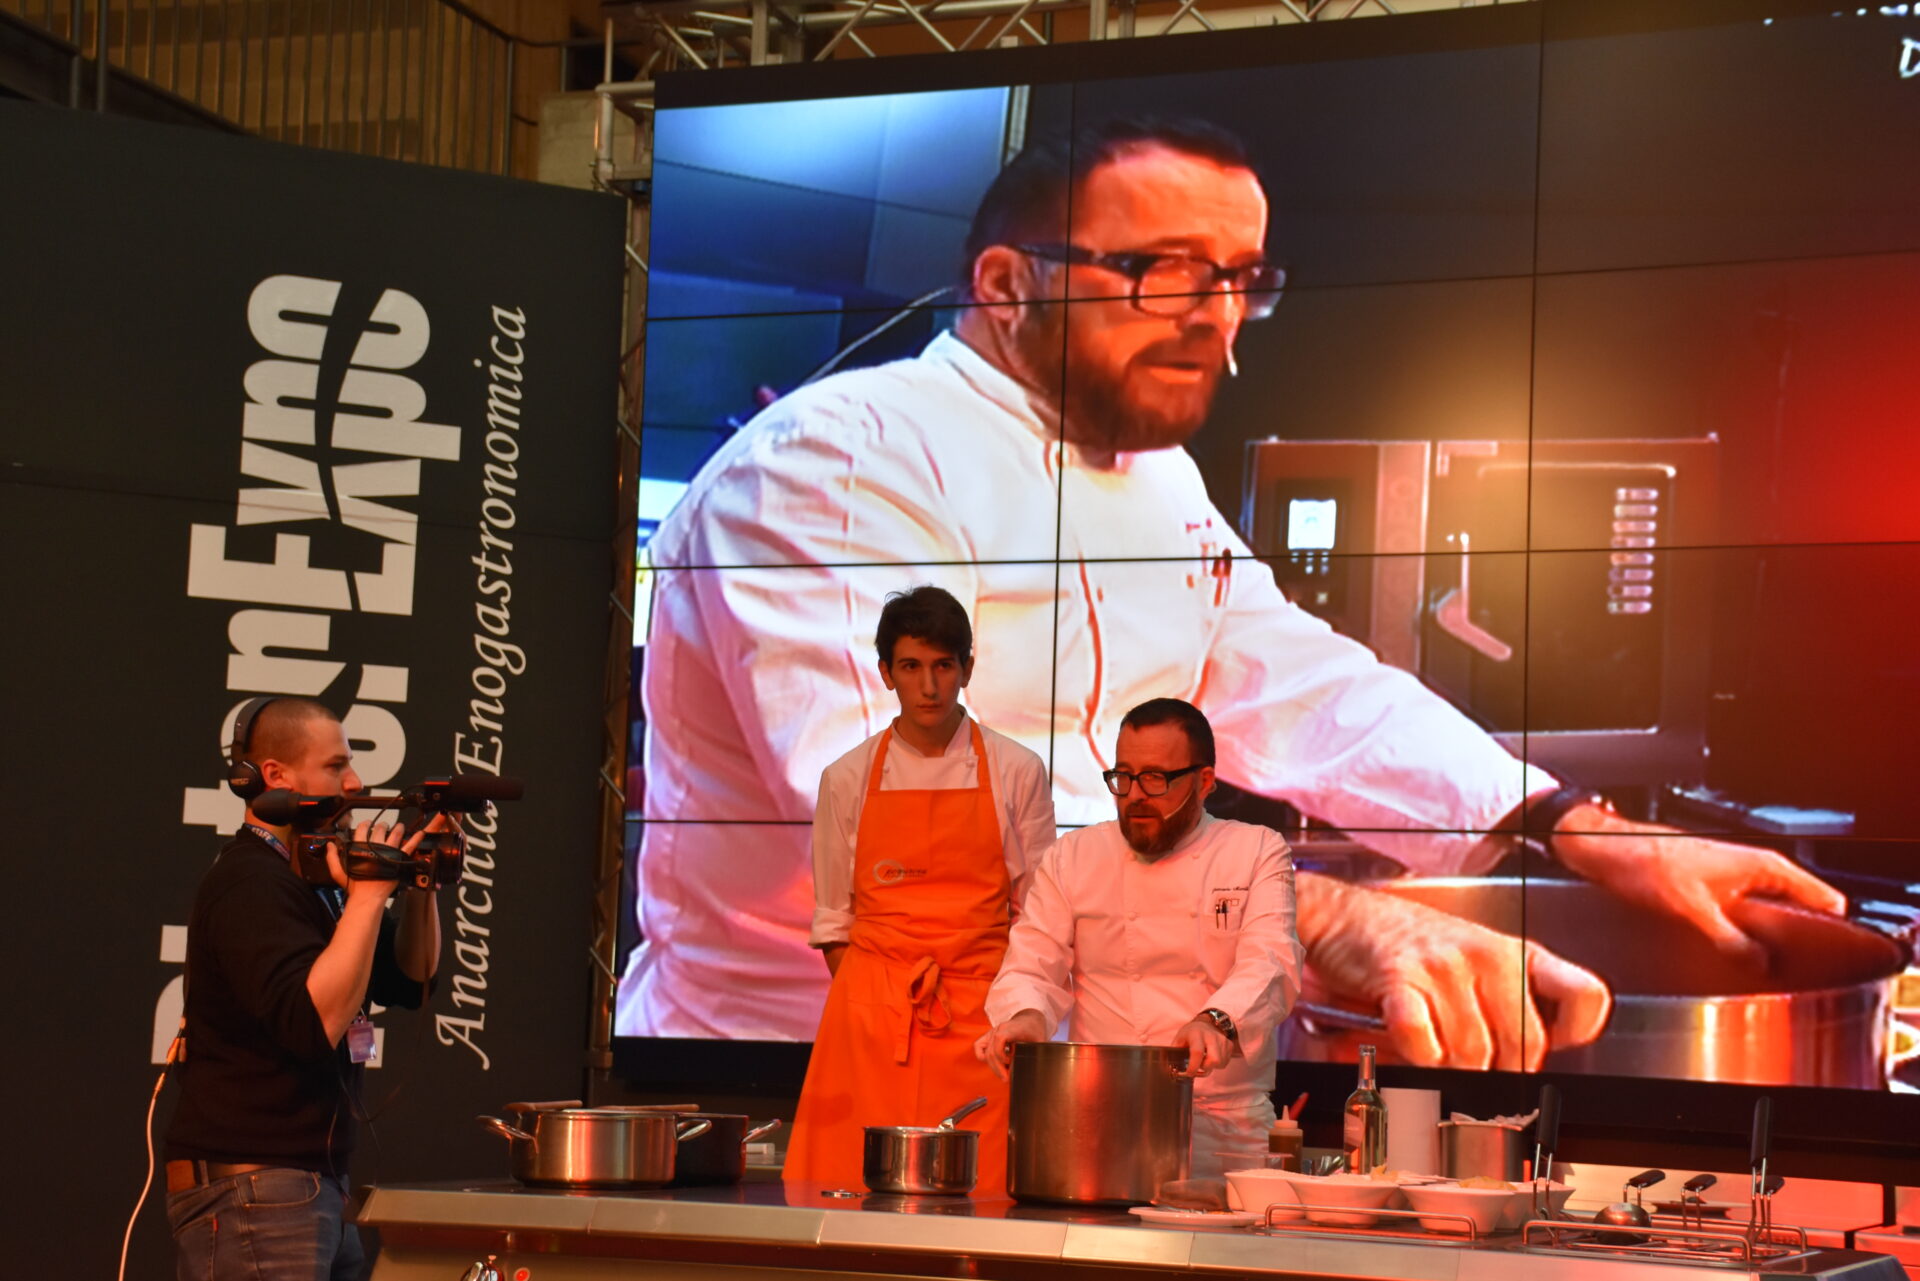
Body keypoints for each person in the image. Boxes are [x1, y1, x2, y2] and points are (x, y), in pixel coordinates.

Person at [620, 115, 1845, 1071]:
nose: (1215, 320)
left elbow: (1291, 678)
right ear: (1004, 284)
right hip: (801, 1084)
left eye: (1239, 278)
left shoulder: (1154, 475)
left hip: (1069, 1073)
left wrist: (1573, 825)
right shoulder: (836, 466)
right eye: (1161, 274)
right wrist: (1324, 921)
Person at [164, 697, 448, 1281]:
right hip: (256, 1191)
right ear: (275, 776)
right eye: (336, 765)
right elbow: (313, 1022)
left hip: (312, 1189)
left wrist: (421, 884)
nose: (355, 782)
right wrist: (370, 896)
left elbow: (411, 978)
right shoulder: (248, 880)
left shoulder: (320, 881)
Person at [782, 586, 1054, 1194]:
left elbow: (1038, 918)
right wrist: (873, 1005)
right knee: (848, 1195)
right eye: (910, 666)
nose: (928, 686)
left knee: (982, 1197)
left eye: (943, 666)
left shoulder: (1017, 770)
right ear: (886, 673)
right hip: (871, 1024)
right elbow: (835, 922)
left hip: (982, 1022)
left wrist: (1008, 1011)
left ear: (967, 670)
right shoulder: (846, 777)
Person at [975, 698, 1301, 1179]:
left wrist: (1214, 1020)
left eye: (1155, 779)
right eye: (1123, 777)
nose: (1135, 796)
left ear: (1204, 782)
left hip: (1224, 1126)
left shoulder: (1255, 850)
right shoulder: (1074, 856)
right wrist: (1024, 1017)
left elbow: (1271, 960)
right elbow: (1032, 963)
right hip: (1102, 1120)